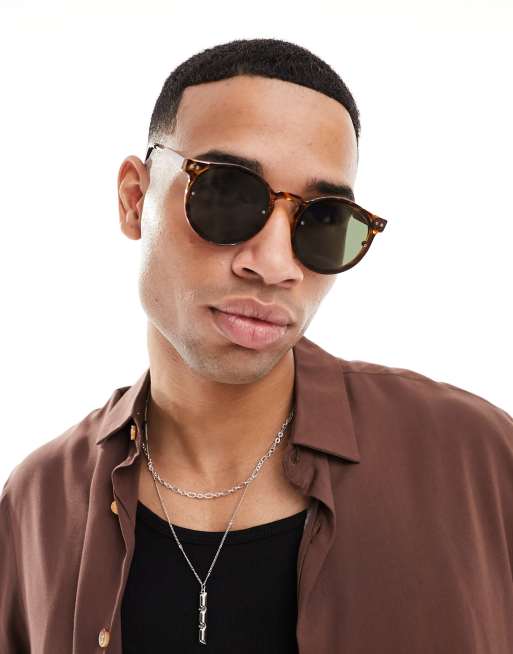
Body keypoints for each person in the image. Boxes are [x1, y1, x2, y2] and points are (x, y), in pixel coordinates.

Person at [1, 37, 512, 654]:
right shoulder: (37, 505)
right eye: (227, 195)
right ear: (135, 199)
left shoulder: (478, 462)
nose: (274, 265)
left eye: (322, 220)